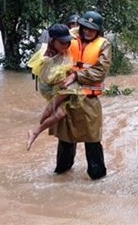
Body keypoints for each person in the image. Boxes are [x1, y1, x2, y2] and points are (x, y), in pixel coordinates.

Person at [51, 10, 112, 180]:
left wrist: (75, 75)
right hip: (67, 96)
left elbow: (100, 72)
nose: (88, 31)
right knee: (65, 139)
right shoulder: (69, 38)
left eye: (92, 29)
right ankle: (61, 174)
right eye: (85, 27)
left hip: (88, 100)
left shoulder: (104, 45)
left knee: (92, 139)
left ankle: (97, 177)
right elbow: (52, 48)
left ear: (98, 30)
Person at [26, 23, 81, 151]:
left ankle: (35, 131)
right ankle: (46, 112)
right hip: (48, 87)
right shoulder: (47, 58)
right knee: (71, 87)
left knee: (60, 114)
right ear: (52, 41)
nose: (66, 46)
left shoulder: (64, 41)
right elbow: (49, 79)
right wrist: (69, 76)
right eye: (62, 43)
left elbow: (75, 31)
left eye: (68, 43)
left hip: (57, 86)